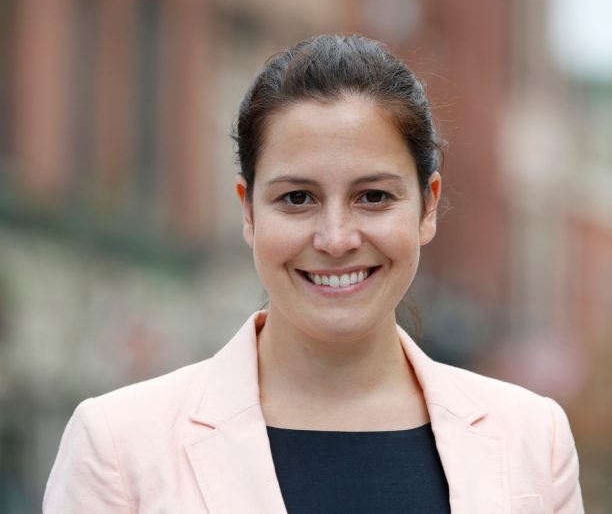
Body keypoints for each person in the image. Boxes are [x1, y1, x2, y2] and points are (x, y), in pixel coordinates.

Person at [44, 34, 584, 513]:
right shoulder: (120, 446)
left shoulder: (532, 440)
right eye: (297, 198)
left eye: (373, 197)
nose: (335, 238)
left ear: (427, 207)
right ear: (249, 212)